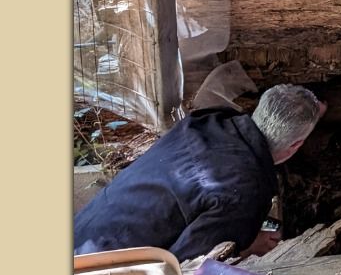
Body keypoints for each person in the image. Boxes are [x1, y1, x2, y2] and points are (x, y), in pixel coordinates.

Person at [74, 84, 324, 260]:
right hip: (99, 271)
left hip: (82, 232)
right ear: (296, 146)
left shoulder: (203, 122)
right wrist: (245, 245)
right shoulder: (246, 191)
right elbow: (188, 262)